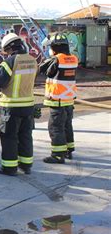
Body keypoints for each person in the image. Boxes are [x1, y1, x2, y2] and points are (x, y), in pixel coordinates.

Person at [0, 33, 37, 176]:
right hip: (28, 106)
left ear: (9, 47)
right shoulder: (32, 60)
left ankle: (9, 168)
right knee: (25, 136)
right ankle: (26, 165)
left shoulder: (10, 61)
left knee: (9, 137)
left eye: (6, 50)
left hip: (11, 107)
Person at [39, 34, 78, 164]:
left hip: (58, 101)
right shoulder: (73, 59)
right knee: (67, 125)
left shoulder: (56, 60)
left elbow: (43, 69)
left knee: (55, 127)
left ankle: (57, 155)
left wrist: (50, 58)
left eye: (51, 47)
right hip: (69, 100)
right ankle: (69, 150)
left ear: (55, 48)